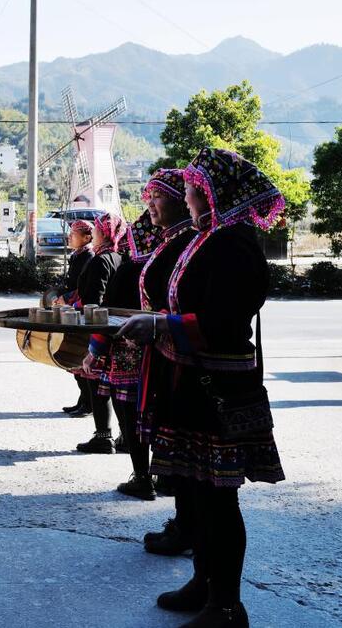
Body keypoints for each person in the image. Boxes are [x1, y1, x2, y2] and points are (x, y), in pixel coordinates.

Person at [118, 148, 285, 627]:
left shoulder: (233, 243)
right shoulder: (208, 238)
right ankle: (204, 583)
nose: (188, 195)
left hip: (219, 388)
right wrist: (160, 323)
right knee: (197, 488)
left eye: (193, 188)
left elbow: (224, 320)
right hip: (192, 380)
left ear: (213, 193)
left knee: (218, 497)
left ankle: (227, 606)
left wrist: (163, 326)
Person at [136, 170, 200, 557]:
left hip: (185, 358)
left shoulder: (191, 242)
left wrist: (158, 321)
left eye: (158, 197)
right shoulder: (175, 241)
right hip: (164, 348)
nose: (150, 205)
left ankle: (190, 527)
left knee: (189, 456)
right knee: (175, 448)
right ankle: (185, 522)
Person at [84, 203, 166, 499]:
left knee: (131, 416)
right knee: (161, 417)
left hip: (127, 357)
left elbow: (108, 313)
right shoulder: (169, 265)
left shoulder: (133, 268)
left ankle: (142, 477)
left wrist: (94, 350)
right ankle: (165, 475)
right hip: (166, 357)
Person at [72, 212, 126, 454]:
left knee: (97, 383)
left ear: (104, 233)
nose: (93, 233)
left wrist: (74, 309)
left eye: (97, 229)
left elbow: (94, 300)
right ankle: (124, 436)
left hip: (99, 331)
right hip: (119, 330)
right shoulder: (119, 258)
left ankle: (103, 437)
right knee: (115, 387)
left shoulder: (100, 261)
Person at [60, 220, 95, 417]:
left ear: (86, 237)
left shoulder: (89, 256)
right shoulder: (78, 255)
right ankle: (83, 400)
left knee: (79, 356)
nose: (70, 237)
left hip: (79, 310)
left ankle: (88, 403)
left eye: (74, 234)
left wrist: (66, 298)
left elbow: (83, 288)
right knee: (74, 360)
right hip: (71, 308)